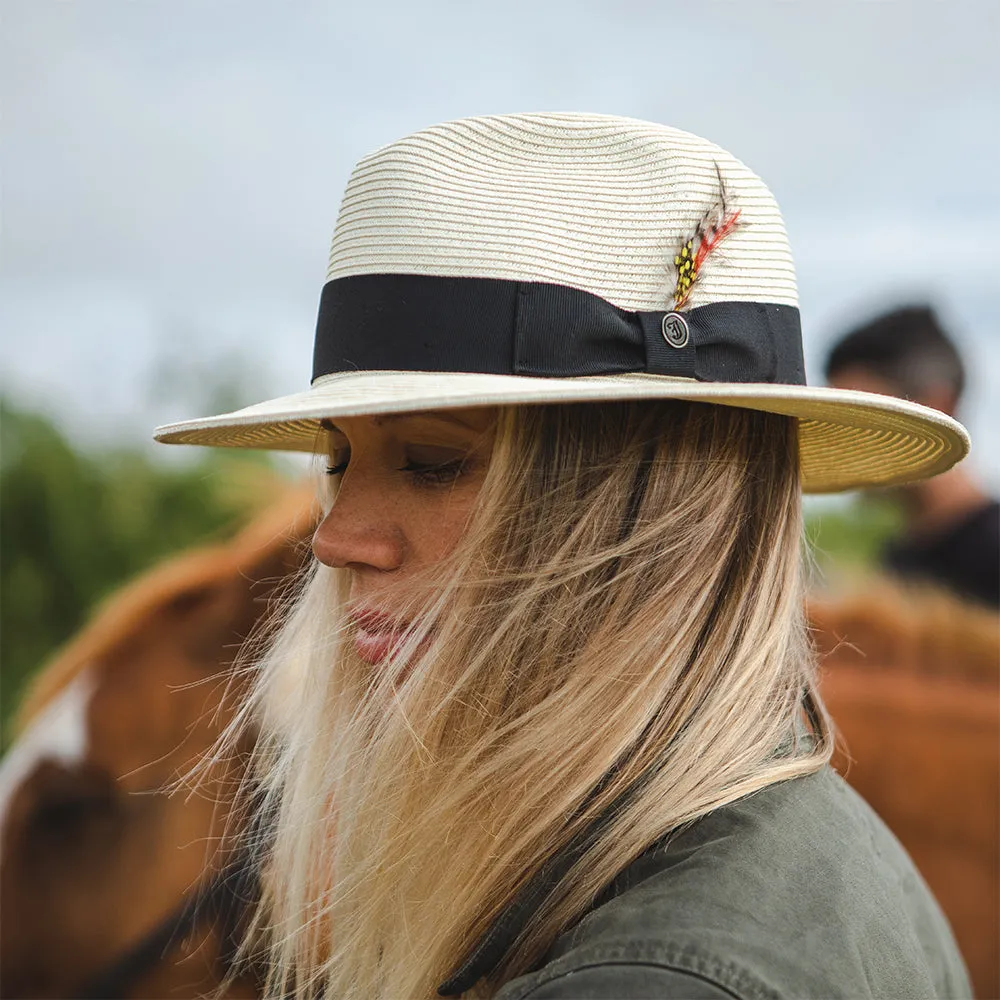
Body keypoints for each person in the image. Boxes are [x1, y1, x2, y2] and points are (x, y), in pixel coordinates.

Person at [155, 114, 972, 999]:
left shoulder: (651, 976)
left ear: (647, 510)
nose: (335, 537)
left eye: (434, 463)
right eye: (340, 461)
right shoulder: (779, 839)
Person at [825, 306, 999, 608]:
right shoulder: (896, 562)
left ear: (935, 408)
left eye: (863, 419)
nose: (843, 441)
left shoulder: (992, 552)